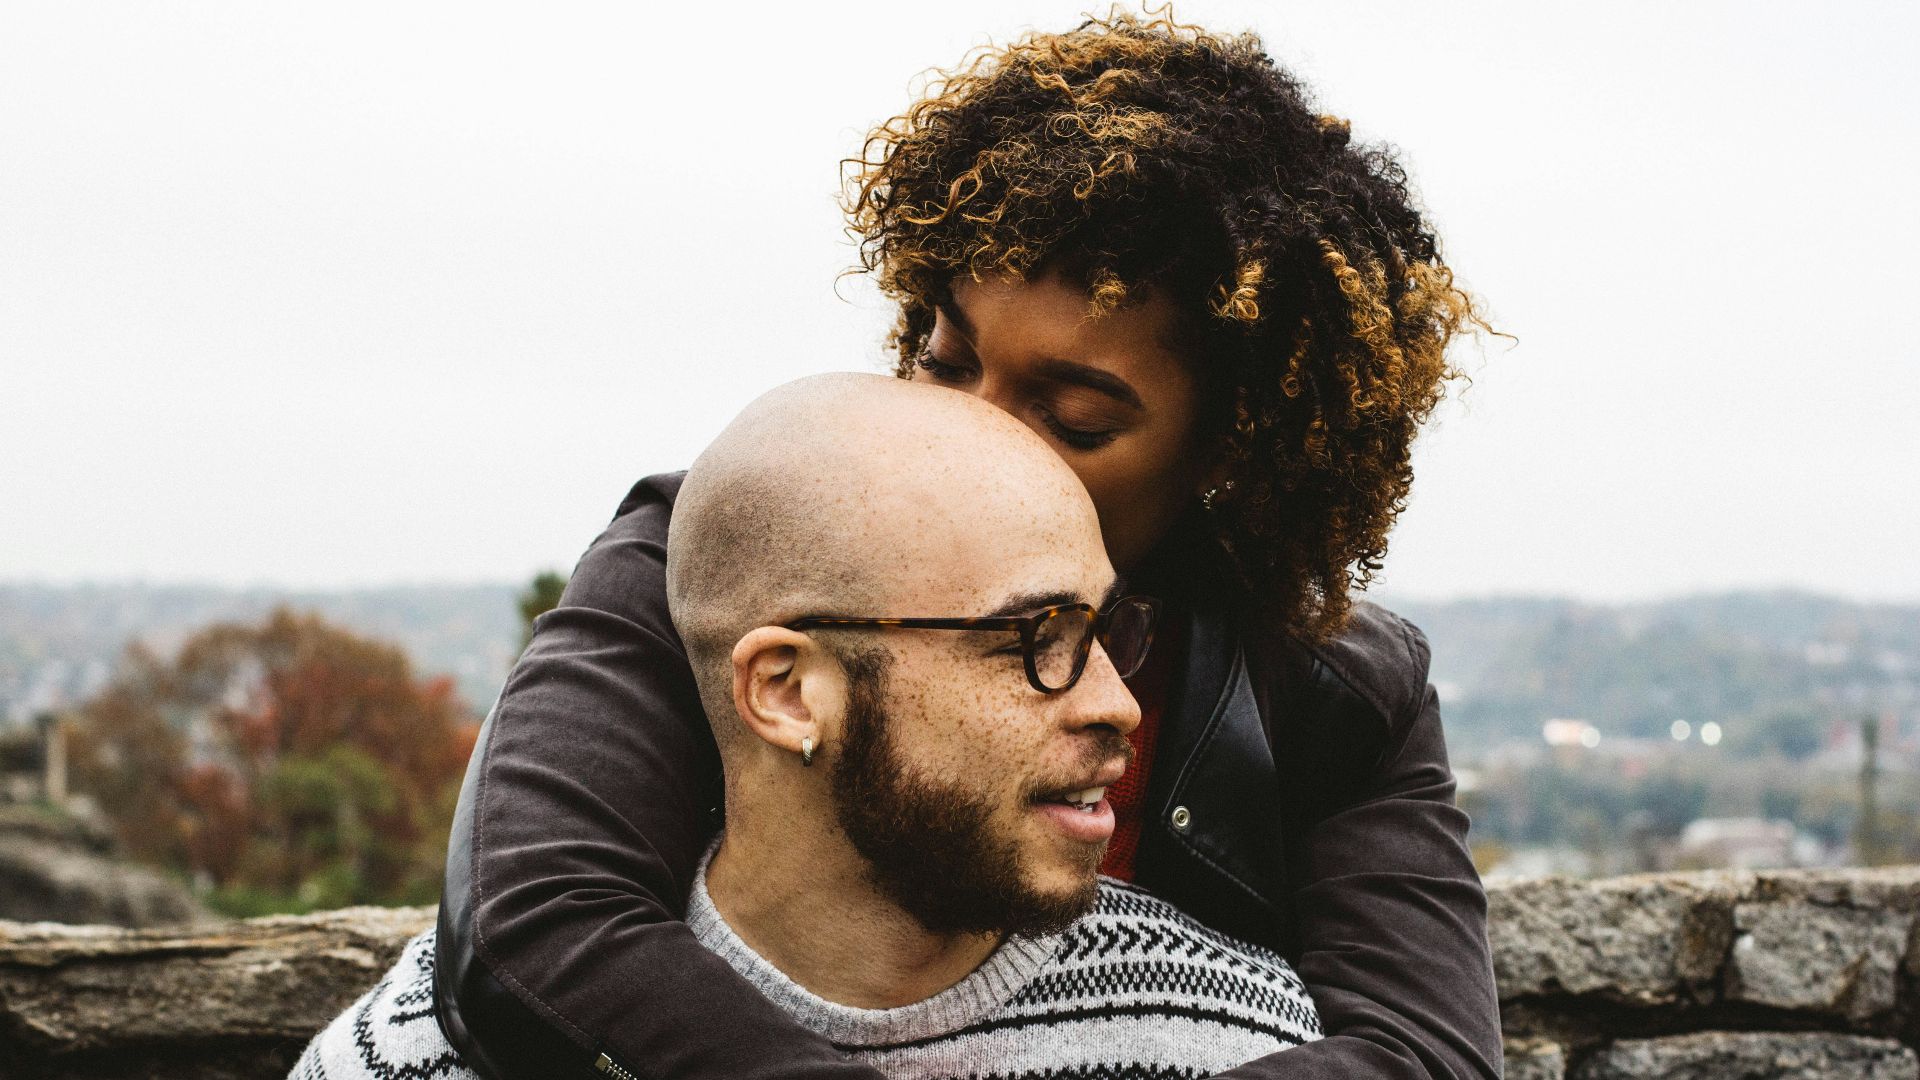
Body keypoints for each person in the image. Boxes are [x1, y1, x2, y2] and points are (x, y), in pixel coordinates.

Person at [434, 12, 1501, 1080]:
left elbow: (1424, 1056)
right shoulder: (725, 559)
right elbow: (529, 930)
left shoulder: (1337, 692)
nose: (975, 427)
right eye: (947, 363)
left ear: (1227, 450)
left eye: (1074, 417)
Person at [294, 375, 1322, 1079]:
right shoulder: (420, 1057)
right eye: (1033, 637)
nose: (1117, 703)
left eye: (1107, 629)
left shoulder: (1233, 1040)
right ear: (787, 691)